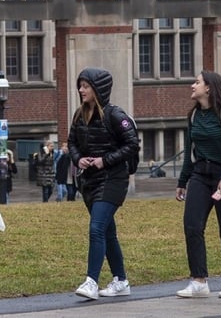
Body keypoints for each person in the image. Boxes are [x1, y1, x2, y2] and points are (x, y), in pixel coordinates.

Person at [67, 67, 139, 300]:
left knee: (96, 228)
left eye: (85, 86)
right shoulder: (79, 115)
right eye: (80, 85)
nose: (81, 90)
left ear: (98, 89)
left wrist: (103, 161)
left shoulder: (116, 115)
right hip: (89, 181)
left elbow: (132, 145)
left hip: (113, 179)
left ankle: (91, 281)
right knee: (108, 233)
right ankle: (121, 280)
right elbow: (72, 142)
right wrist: (79, 159)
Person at [174, 71, 221, 299]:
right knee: (192, 226)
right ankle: (198, 281)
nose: (192, 85)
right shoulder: (194, 116)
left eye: (197, 82)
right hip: (201, 175)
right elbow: (189, 152)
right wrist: (182, 181)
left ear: (209, 88)